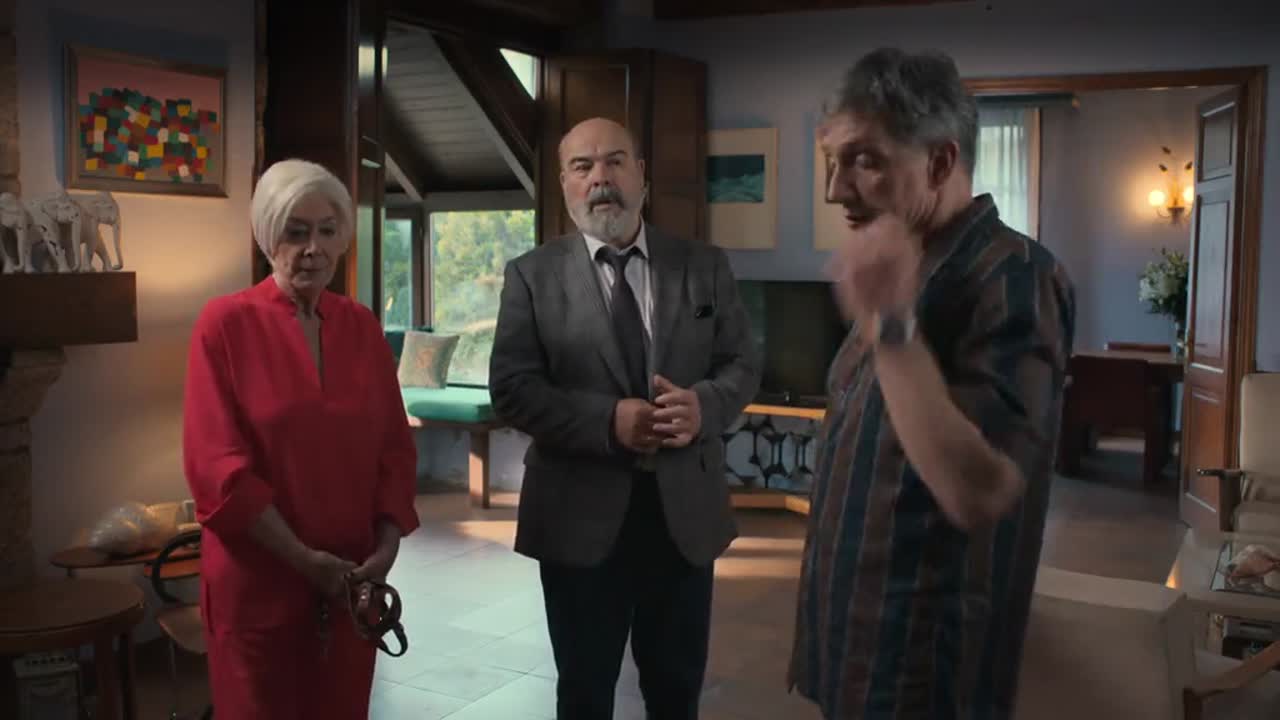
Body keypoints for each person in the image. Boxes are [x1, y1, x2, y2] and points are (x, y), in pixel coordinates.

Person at [787, 48, 1076, 719]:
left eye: (864, 159)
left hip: (923, 667)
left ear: (941, 163)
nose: (835, 190)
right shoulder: (899, 261)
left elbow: (981, 489)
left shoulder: (1015, 275)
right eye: (831, 161)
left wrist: (890, 326)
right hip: (852, 643)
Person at [489, 117, 762, 719]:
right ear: (564, 183)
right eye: (582, 166)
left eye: (615, 161)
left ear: (642, 175)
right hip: (576, 520)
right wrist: (607, 420)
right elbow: (511, 390)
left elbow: (742, 364)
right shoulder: (530, 276)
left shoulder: (704, 265)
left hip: (683, 519)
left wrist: (705, 406)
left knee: (676, 694)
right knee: (584, 695)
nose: (601, 178)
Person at [182, 158, 420, 718]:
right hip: (258, 588)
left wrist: (385, 551)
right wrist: (303, 559)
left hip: (351, 587)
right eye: (296, 232)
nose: (314, 249)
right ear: (268, 238)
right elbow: (217, 468)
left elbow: (394, 451)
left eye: (327, 231)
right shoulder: (224, 325)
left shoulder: (362, 327)